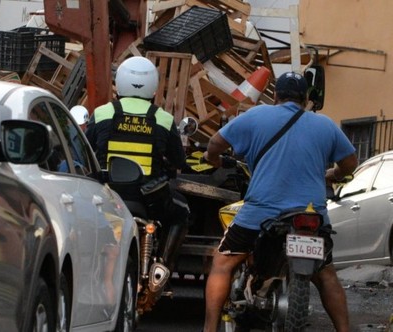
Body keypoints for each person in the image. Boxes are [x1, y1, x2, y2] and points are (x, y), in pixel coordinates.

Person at [202, 71, 358, 332]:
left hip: (261, 214)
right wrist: (333, 174)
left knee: (222, 263)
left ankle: (209, 329)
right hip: (310, 215)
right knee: (326, 274)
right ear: (306, 98)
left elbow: (215, 142)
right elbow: (350, 162)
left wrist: (213, 158)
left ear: (275, 95)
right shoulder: (325, 125)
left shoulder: (255, 115)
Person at [85, 56, 190, 275]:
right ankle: (162, 268)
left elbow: (86, 150)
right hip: (149, 199)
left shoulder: (103, 113)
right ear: (153, 87)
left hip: (109, 195)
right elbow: (179, 160)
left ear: (118, 84)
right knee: (182, 212)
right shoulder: (163, 119)